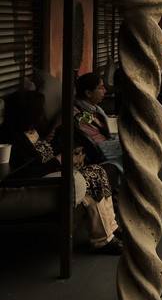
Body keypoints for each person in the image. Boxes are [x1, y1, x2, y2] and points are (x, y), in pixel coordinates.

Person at [2, 90, 123, 254]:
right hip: (38, 183)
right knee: (93, 176)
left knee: (98, 171)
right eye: (39, 111)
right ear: (28, 114)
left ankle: (111, 228)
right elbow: (30, 170)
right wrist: (60, 161)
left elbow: (44, 153)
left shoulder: (30, 132)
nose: (42, 114)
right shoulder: (13, 140)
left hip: (49, 173)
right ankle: (104, 240)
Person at [74, 73, 124, 173]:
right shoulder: (78, 114)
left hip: (109, 141)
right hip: (100, 151)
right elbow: (94, 141)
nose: (105, 91)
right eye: (100, 88)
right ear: (88, 93)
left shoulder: (94, 108)